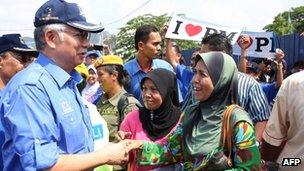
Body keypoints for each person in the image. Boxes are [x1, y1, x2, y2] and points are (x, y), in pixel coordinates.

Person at [0, 0, 132, 170]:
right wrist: (105, 155)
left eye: (87, 36)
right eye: (80, 35)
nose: (87, 43)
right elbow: (45, 166)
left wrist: (110, 148)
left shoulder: (67, 82)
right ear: (51, 38)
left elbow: (74, 149)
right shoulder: (30, 88)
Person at [127, 52, 262, 170]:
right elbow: (170, 150)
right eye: (195, 72)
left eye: (202, 74)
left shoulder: (237, 121)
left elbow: (251, 168)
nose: (194, 80)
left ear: (221, 79)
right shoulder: (191, 113)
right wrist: (135, 145)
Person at [198, 33, 271, 142]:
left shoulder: (248, 84)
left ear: (222, 55)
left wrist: (249, 151)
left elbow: (262, 119)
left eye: (205, 54)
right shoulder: (197, 82)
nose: (201, 58)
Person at [119, 68, 182, 171]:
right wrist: (122, 146)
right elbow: (125, 160)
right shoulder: (131, 119)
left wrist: (140, 145)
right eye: (144, 88)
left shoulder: (181, 120)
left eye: (154, 89)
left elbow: (180, 155)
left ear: (166, 91)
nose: (146, 94)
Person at [0, 33, 38, 170]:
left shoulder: (25, 96)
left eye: (30, 59)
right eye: (22, 59)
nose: (27, 65)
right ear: (0, 61)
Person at [261, 70, 304, 171]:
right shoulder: (293, 82)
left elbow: (273, 137)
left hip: (293, 163)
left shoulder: (294, 82)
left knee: (283, 162)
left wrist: (263, 164)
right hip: (294, 163)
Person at [124, 24, 178, 104]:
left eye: (159, 43)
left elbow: (175, 101)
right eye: (155, 44)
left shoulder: (166, 68)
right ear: (141, 46)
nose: (159, 48)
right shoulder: (125, 71)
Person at [95, 55, 140, 143]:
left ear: (114, 75)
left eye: (100, 75)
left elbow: (131, 140)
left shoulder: (128, 104)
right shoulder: (99, 102)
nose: (98, 79)